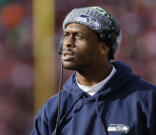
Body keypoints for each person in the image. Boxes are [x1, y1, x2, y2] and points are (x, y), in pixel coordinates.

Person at [31, 6, 156, 135]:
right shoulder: (53, 109)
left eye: (78, 36)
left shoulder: (147, 100)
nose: (67, 43)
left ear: (103, 48)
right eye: (66, 35)